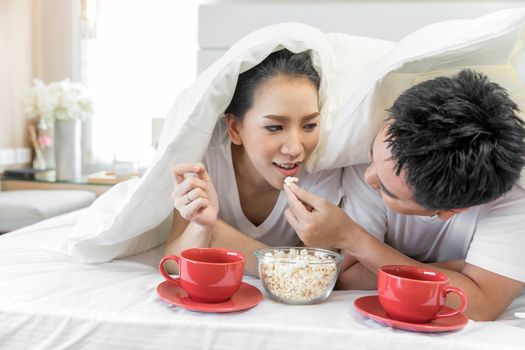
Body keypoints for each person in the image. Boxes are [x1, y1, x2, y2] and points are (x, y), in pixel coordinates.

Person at [283, 69, 525, 321]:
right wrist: (460, 272)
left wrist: (353, 238)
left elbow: (481, 306)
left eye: (386, 190)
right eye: (372, 157)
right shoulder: (376, 156)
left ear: (450, 211)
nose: (368, 177)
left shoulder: (516, 198)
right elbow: (348, 278)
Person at [164, 49, 342, 275]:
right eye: (274, 127)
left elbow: (317, 273)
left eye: (309, 126)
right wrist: (204, 227)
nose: (296, 148)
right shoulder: (206, 161)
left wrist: (219, 236)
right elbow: (172, 262)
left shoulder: (322, 166)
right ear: (235, 128)